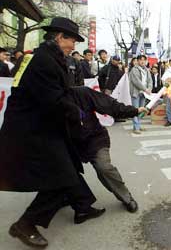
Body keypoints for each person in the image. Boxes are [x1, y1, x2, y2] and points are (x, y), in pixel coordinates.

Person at [0, 17, 105, 248]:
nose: (73, 47)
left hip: (40, 126)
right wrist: (78, 114)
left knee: (68, 166)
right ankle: (26, 223)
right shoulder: (44, 62)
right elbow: (55, 100)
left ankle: (82, 207)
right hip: (32, 130)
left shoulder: (44, 57)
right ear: (59, 37)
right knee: (61, 177)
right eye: (71, 41)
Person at [68, 86, 147, 213]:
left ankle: (126, 197)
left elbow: (109, 105)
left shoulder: (81, 93)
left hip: (94, 139)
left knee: (103, 167)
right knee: (63, 171)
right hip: (69, 145)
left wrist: (134, 111)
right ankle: (72, 202)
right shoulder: (48, 102)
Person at [129, 55, 152, 134]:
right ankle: (136, 127)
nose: (142, 61)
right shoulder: (134, 69)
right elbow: (136, 82)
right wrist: (145, 89)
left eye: (144, 60)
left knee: (141, 110)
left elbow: (150, 80)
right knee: (135, 110)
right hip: (136, 92)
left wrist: (149, 88)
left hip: (144, 93)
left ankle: (138, 125)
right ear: (138, 61)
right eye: (141, 60)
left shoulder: (146, 70)